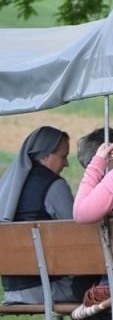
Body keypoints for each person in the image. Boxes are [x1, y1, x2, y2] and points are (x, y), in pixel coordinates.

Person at [1, 126, 76, 305]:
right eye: (63, 156)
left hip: (12, 290)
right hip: (47, 287)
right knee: (107, 283)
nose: (66, 164)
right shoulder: (53, 186)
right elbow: (79, 232)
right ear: (45, 156)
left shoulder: (11, 187)